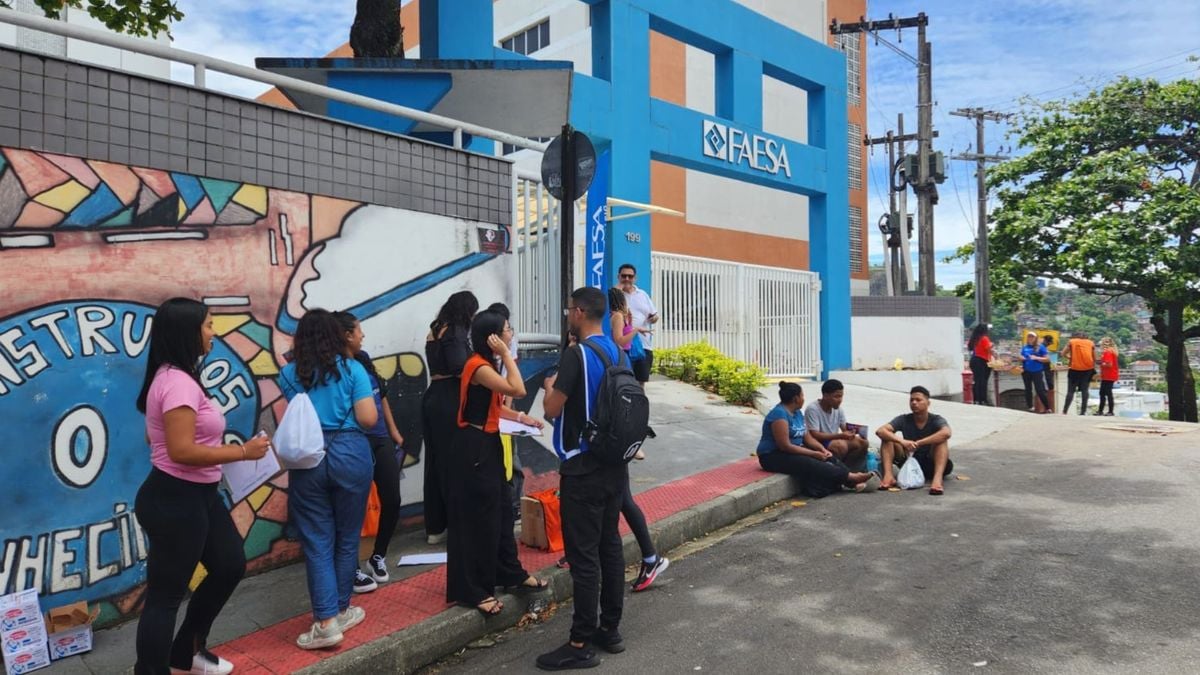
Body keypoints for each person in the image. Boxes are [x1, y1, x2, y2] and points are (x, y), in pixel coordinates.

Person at [134, 298, 271, 675]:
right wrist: (242, 452)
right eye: (209, 325)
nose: (214, 332)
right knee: (165, 597)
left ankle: (185, 653)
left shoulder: (175, 376)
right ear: (187, 331)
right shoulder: (176, 382)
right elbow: (178, 450)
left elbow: (156, 440)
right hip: (174, 499)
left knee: (229, 565)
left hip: (199, 496)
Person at [536, 287, 629, 670]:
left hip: (583, 468)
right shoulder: (616, 350)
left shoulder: (576, 355)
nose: (568, 315)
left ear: (578, 312)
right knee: (610, 547)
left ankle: (579, 642)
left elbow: (552, 409)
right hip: (613, 466)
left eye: (568, 309)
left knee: (583, 556)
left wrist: (548, 389)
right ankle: (610, 630)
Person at [278, 309, 378, 650]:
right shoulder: (354, 370)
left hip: (308, 457)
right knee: (347, 536)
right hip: (350, 453)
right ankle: (342, 608)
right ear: (336, 336)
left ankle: (326, 623)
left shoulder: (289, 374)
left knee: (317, 540)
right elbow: (367, 418)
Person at [446, 310, 547, 616]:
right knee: (479, 519)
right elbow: (518, 389)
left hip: (488, 444)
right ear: (492, 337)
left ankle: (510, 573)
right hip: (474, 449)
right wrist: (507, 355)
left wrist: (520, 417)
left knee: (503, 511)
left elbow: (496, 407)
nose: (511, 333)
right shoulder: (478, 366)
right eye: (506, 330)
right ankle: (473, 590)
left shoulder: (487, 365)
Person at [331, 312, 405, 594]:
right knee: (352, 509)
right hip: (354, 445)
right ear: (346, 335)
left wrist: (395, 434)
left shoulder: (363, 362)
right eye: (359, 330)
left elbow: (381, 399)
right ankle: (351, 568)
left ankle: (378, 556)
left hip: (380, 440)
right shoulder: (336, 371)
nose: (363, 335)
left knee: (393, 500)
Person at [605, 287, 668, 591]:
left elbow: (619, 341)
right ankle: (648, 555)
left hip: (614, 434)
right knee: (617, 499)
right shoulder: (624, 314)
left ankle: (649, 556)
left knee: (621, 499)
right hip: (620, 427)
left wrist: (633, 333)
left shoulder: (618, 317)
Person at [422, 291, 478, 544]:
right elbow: (458, 366)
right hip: (450, 400)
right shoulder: (455, 331)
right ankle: (459, 525)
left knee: (435, 463)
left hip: (433, 398)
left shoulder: (435, 330)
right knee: (456, 463)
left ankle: (435, 526)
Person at [757, 381, 876, 498]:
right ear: (796, 398)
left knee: (829, 457)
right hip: (773, 456)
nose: (804, 398)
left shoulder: (797, 413)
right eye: (802, 395)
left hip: (791, 452)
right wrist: (813, 453)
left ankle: (853, 481)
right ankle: (853, 478)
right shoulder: (779, 415)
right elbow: (785, 446)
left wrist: (821, 450)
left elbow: (807, 438)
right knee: (811, 462)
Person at [876, 386, 954, 496]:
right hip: (908, 460)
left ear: (928, 403)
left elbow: (946, 433)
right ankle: (888, 477)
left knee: (941, 440)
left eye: (918, 400)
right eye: (911, 400)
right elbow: (880, 431)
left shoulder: (936, 419)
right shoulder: (904, 419)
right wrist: (903, 442)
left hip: (930, 463)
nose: (914, 403)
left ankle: (937, 480)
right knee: (887, 437)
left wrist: (919, 443)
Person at [803, 379, 870, 471]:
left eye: (841, 396)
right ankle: (837, 473)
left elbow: (844, 429)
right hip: (819, 442)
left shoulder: (838, 409)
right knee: (840, 446)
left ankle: (849, 470)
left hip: (834, 439)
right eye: (836, 396)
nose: (840, 400)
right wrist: (840, 435)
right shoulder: (813, 409)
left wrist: (856, 432)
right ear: (825, 396)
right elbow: (815, 434)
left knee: (863, 442)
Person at [618, 264, 658, 385]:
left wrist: (654, 318)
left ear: (635, 278)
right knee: (624, 383)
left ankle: (639, 404)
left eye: (630, 276)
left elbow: (654, 315)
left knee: (640, 383)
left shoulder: (643, 295)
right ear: (618, 277)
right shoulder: (616, 295)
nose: (627, 279)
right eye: (623, 276)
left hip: (643, 346)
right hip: (624, 346)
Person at [1060, 331, 1097, 416]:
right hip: (1088, 369)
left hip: (1075, 368)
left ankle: (1065, 411)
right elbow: (1094, 358)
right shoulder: (1091, 343)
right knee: (1085, 390)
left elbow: (1063, 353)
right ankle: (1083, 412)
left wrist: (1070, 357)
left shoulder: (1072, 342)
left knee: (1071, 391)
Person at [1020, 331, 1052, 413]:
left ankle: (1047, 407)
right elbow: (1021, 356)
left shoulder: (1040, 347)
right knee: (1028, 389)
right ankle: (1030, 406)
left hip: (1037, 371)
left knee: (1040, 390)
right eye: (1029, 337)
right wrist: (1021, 358)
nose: (1030, 338)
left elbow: (1047, 359)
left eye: (1032, 337)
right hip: (1026, 371)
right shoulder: (1025, 347)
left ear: (1035, 338)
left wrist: (1037, 358)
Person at [967, 324, 994, 405]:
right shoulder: (984, 338)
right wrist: (992, 345)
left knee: (976, 380)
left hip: (974, 360)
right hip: (982, 361)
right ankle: (982, 399)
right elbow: (988, 349)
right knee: (983, 381)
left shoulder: (974, 339)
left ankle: (976, 399)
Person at [1097, 336, 1119, 416]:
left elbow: (1109, 364)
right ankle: (1102, 410)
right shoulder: (1112, 351)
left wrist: (1101, 363)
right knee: (1103, 392)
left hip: (1108, 375)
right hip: (1110, 375)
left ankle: (1109, 411)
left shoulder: (1108, 352)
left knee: (1106, 393)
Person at [1041, 334, 1057, 408]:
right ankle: (1047, 406)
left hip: (1047, 370)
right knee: (1046, 387)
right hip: (1043, 370)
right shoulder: (1042, 348)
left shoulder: (1044, 348)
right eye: (1049, 343)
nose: (1049, 344)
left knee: (1050, 386)